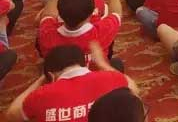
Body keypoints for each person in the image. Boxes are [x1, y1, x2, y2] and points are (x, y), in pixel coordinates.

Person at [6, 43, 137, 122]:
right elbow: (134, 89)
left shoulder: (40, 94)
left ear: (50, 75)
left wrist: (40, 80)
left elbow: (12, 114)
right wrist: (102, 63)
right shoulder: (111, 78)